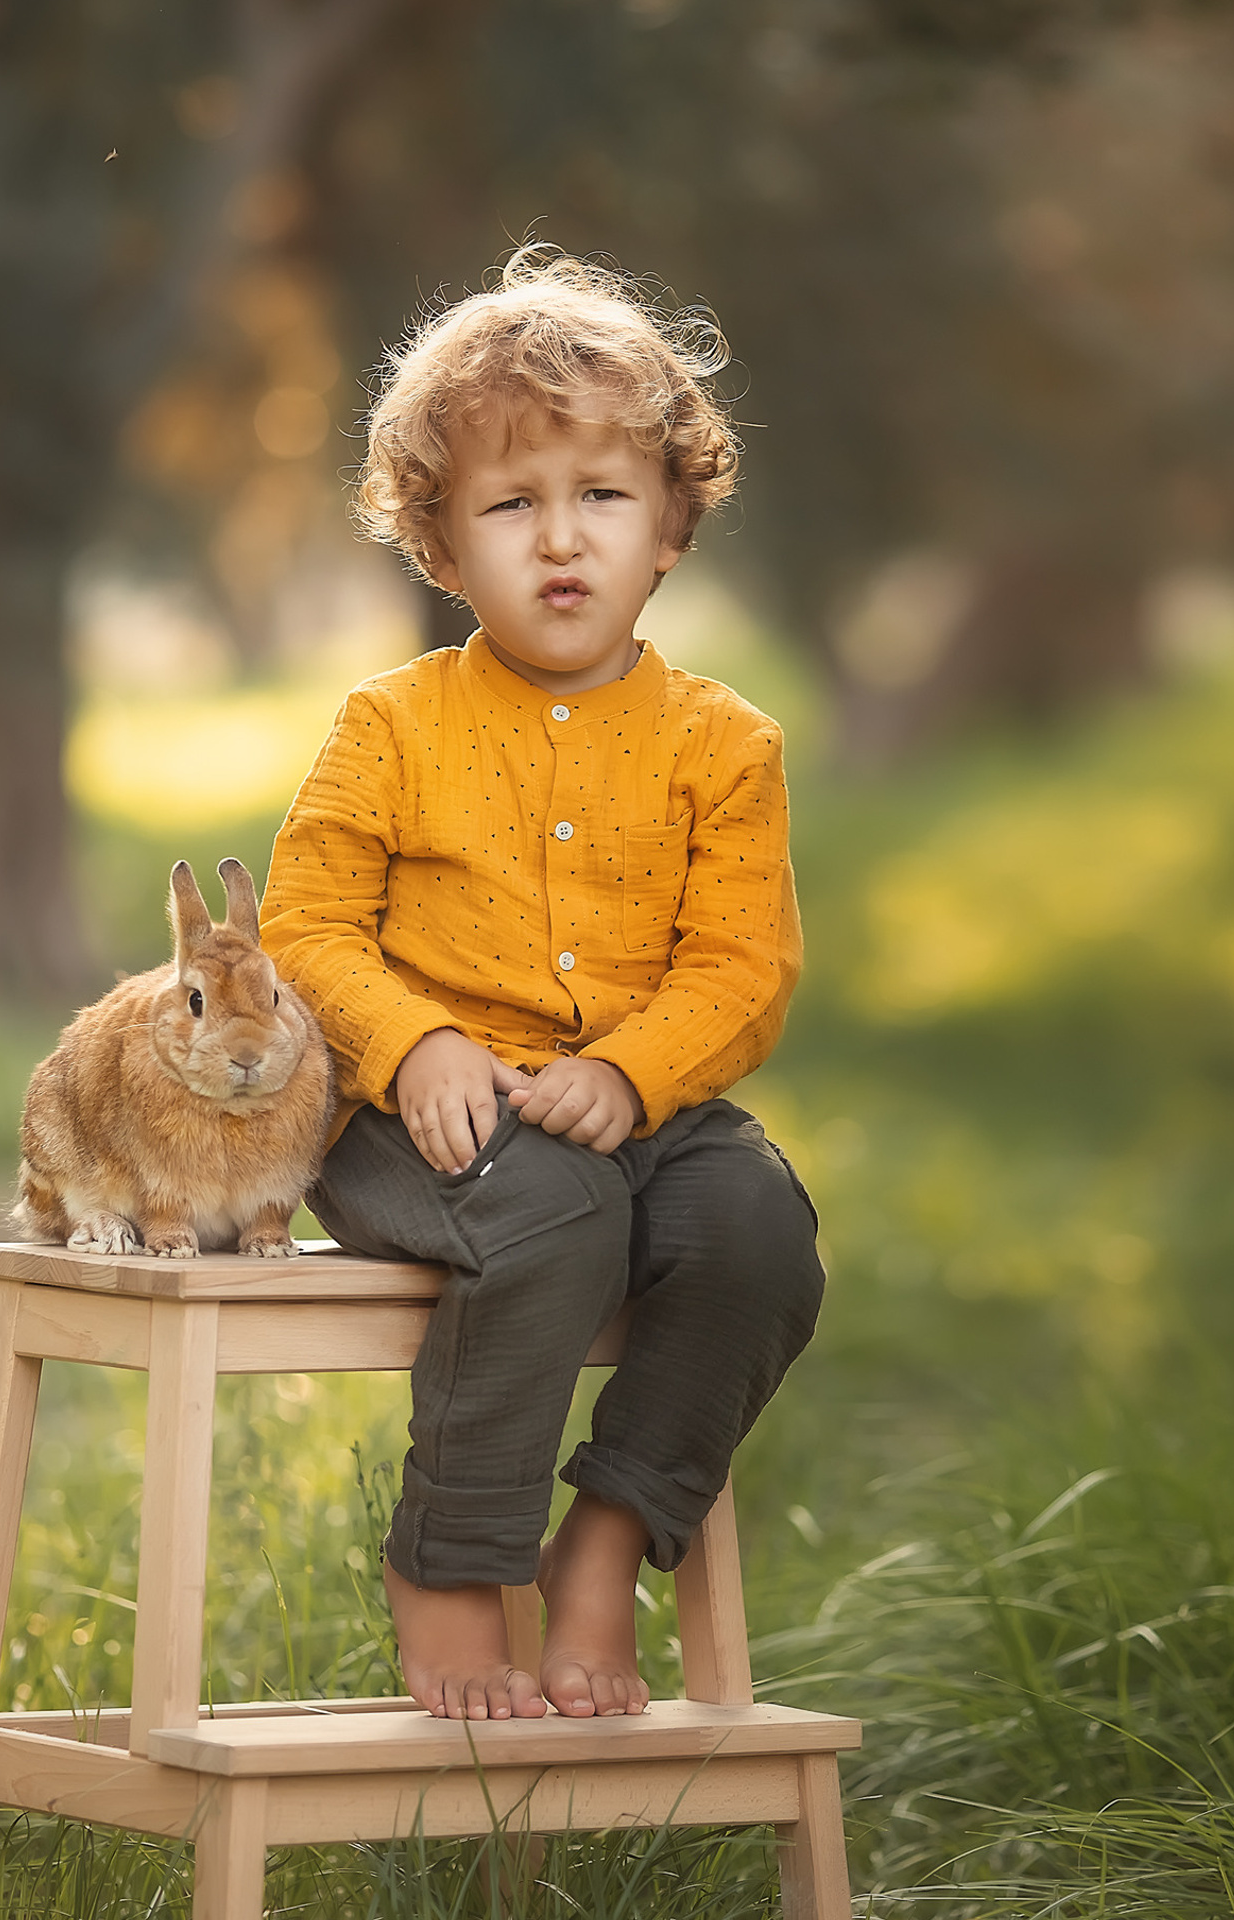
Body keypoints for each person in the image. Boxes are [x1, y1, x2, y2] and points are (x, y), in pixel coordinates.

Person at [259, 246, 824, 1724]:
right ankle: (452, 1567)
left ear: (672, 528)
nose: (559, 540)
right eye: (511, 506)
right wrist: (412, 1041)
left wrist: (634, 1072)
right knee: (556, 1211)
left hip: (643, 1100)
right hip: (417, 1118)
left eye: (602, 498)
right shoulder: (389, 725)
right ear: (442, 548)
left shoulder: (726, 745)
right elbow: (306, 931)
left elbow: (743, 966)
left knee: (757, 1224)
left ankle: (609, 1541)